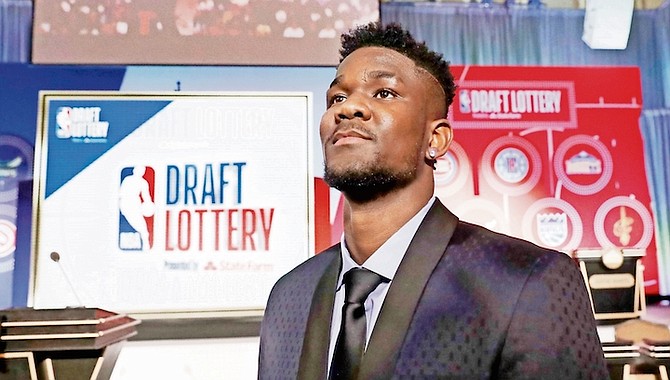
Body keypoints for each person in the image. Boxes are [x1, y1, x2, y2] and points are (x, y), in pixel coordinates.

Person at [258, 22, 609, 379]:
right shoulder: (289, 296)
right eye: (338, 97)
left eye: (383, 93)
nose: (349, 109)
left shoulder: (528, 281)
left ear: (436, 139)